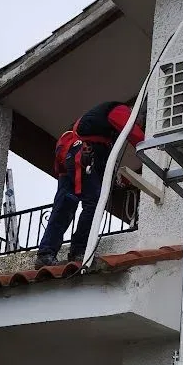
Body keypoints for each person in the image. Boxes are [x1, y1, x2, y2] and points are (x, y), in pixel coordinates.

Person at [34, 102, 145, 269]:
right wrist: (150, 147)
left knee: (65, 205)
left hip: (72, 158)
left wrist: (119, 179)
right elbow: (134, 134)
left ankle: (46, 253)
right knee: (93, 202)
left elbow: (107, 162)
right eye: (139, 122)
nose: (138, 125)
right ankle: (79, 250)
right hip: (82, 156)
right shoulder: (119, 110)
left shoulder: (102, 130)